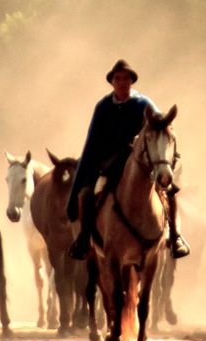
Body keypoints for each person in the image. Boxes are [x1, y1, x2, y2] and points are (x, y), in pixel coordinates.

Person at [67, 60, 191, 261]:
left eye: (126, 78)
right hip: (109, 163)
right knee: (87, 192)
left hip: (140, 161)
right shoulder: (103, 106)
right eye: (118, 78)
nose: (122, 82)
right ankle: (84, 237)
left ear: (131, 81)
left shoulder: (144, 104)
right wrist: (93, 162)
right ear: (112, 82)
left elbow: (161, 125)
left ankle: (174, 236)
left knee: (168, 191)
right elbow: (93, 139)